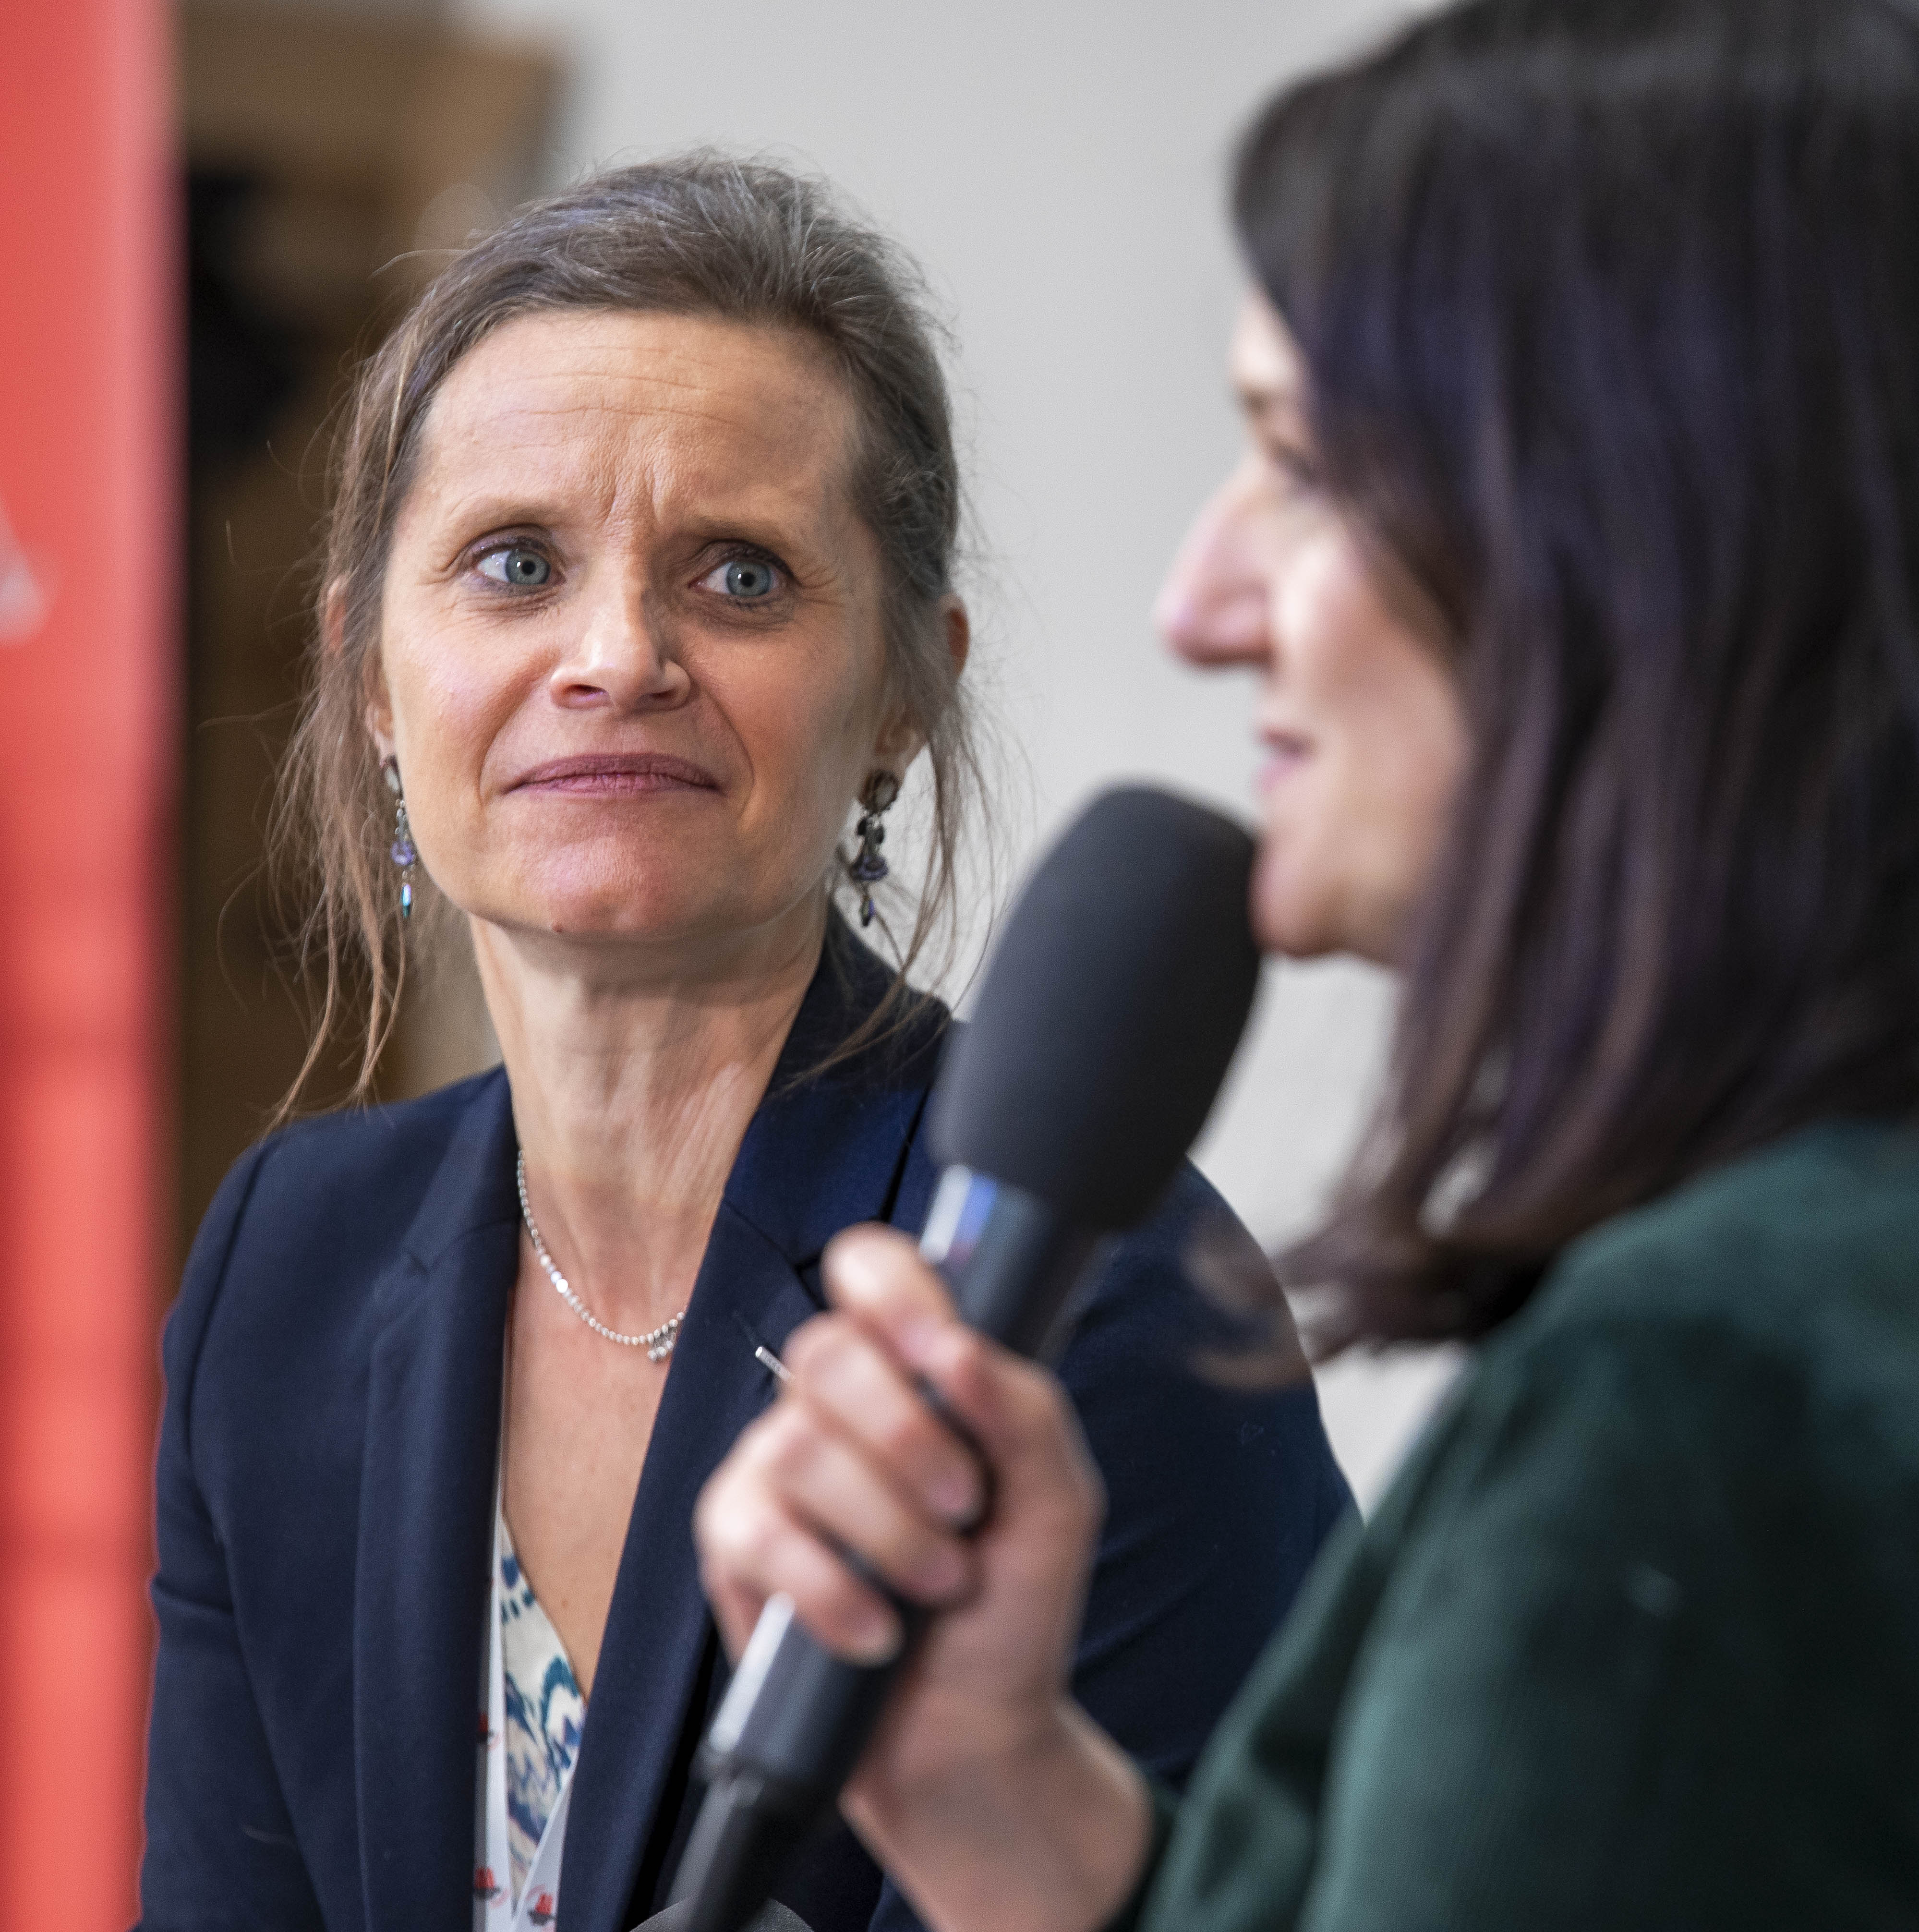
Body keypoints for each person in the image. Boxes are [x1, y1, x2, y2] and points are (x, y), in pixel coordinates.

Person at [692, 2, 1919, 1927]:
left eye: (1300, 463)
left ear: (1646, 536)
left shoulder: (1725, 1419)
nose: (1203, 601)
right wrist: (994, 1788)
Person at [139, 157, 1353, 1932]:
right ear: (374, 682)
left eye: (739, 573)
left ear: (905, 692)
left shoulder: (1098, 1301)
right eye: (514, 564)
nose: (616, 654)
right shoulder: (288, 1260)